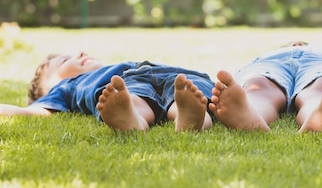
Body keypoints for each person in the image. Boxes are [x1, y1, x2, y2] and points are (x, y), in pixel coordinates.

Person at [0, 52, 215, 132]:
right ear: (52, 86)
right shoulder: (66, 87)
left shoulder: (112, 71)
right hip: (129, 84)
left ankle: (189, 115)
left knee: (185, 91)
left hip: (175, 76)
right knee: (130, 97)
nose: (81, 53)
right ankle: (131, 117)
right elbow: (32, 111)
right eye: (65, 60)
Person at [208, 41, 322, 132]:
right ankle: (250, 114)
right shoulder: (271, 54)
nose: (297, 44)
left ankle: (319, 115)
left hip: (317, 62)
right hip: (272, 62)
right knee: (259, 86)